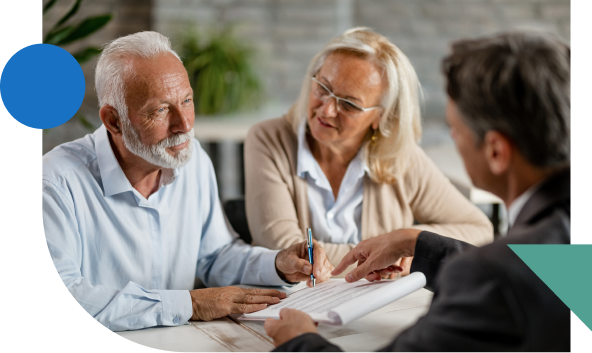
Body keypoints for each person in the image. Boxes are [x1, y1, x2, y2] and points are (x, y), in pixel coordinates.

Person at [263, 31, 571, 352]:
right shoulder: (553, 244)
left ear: (495, 152)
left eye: (455, 129)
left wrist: (298, 343)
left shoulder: (491, 278)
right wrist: (416, 243)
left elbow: (505, 278)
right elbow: (533, 272)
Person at [41, 31, 334, 332]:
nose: (185, 125)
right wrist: (191, 304)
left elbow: (215, 256)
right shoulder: (55, 181)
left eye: (187, 100)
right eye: (160, 110)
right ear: (114, 121)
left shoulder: (192, 161)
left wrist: (277, 264)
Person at [245, 28, 493, 278]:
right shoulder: (268, 139)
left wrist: (409, 241)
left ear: (381, 116)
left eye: (349, 104)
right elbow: (286, 254)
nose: (327, 110)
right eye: (322, 87)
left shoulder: (400, 157)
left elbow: (479, 229)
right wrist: (383, 255)